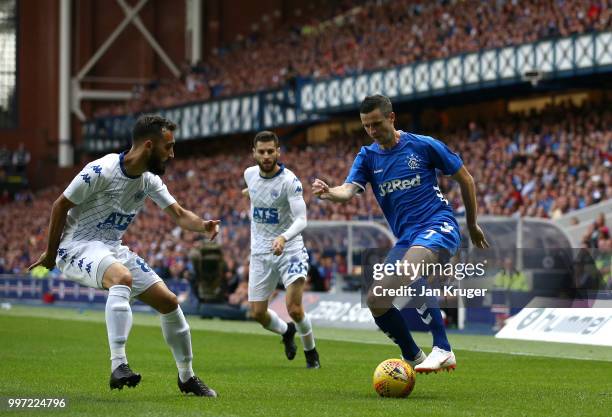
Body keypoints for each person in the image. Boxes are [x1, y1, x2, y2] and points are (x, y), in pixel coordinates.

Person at [28, 115, 219, 396]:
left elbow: (179, 215)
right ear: (149, 146)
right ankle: (119, 364)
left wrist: (203, 226)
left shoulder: (149, 181)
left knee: (169, 302)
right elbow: (60, 205)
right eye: (169, 147)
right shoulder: (101, 171)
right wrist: (51, 254)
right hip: (76, 245)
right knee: (122, 277)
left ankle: (187, 377)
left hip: (112, 247)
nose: (173, 154)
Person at [312, 95, 489, 373]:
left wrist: (472, 223)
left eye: (377, 124)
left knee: (410, 268)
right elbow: (348, 190)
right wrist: (330, 192)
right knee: (376, 300)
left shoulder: (422, 145)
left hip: (438, 225)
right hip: (407, 239)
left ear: (391, 118)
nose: (372, 131)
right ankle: (414, 356)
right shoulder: (368, 156)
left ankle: (443, 348)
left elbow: (465, 178)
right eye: (366, 126)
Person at [243, 130, 320, 368]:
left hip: (290, 249)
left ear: (278, 152)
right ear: (254, 153)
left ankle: (311, 354)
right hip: (260, 253)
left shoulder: (290, 181)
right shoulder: (249, 175)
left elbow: (302, 219)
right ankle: (286, 332)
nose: (266, 156)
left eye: (270, 151)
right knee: (257, 313)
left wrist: (284, 237)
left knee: (294, 308)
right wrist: (250, 194)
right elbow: (255, 193)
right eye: (261, 152)